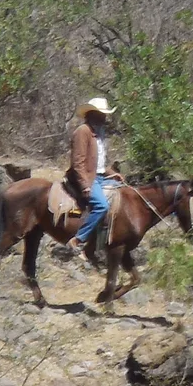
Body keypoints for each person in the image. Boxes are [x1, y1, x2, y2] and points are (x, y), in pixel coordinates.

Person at [68, 98, 121, 267]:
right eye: (102, 115)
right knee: (102, 206)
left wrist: (113, 174)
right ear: (92, 115)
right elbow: (78, 163)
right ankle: (79, 240)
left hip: (98, 176)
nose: (105, 118)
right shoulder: (82, 132)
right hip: (87, 179)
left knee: (125, 196)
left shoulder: (99, 134)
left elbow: (99, 164)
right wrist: (85, 185)